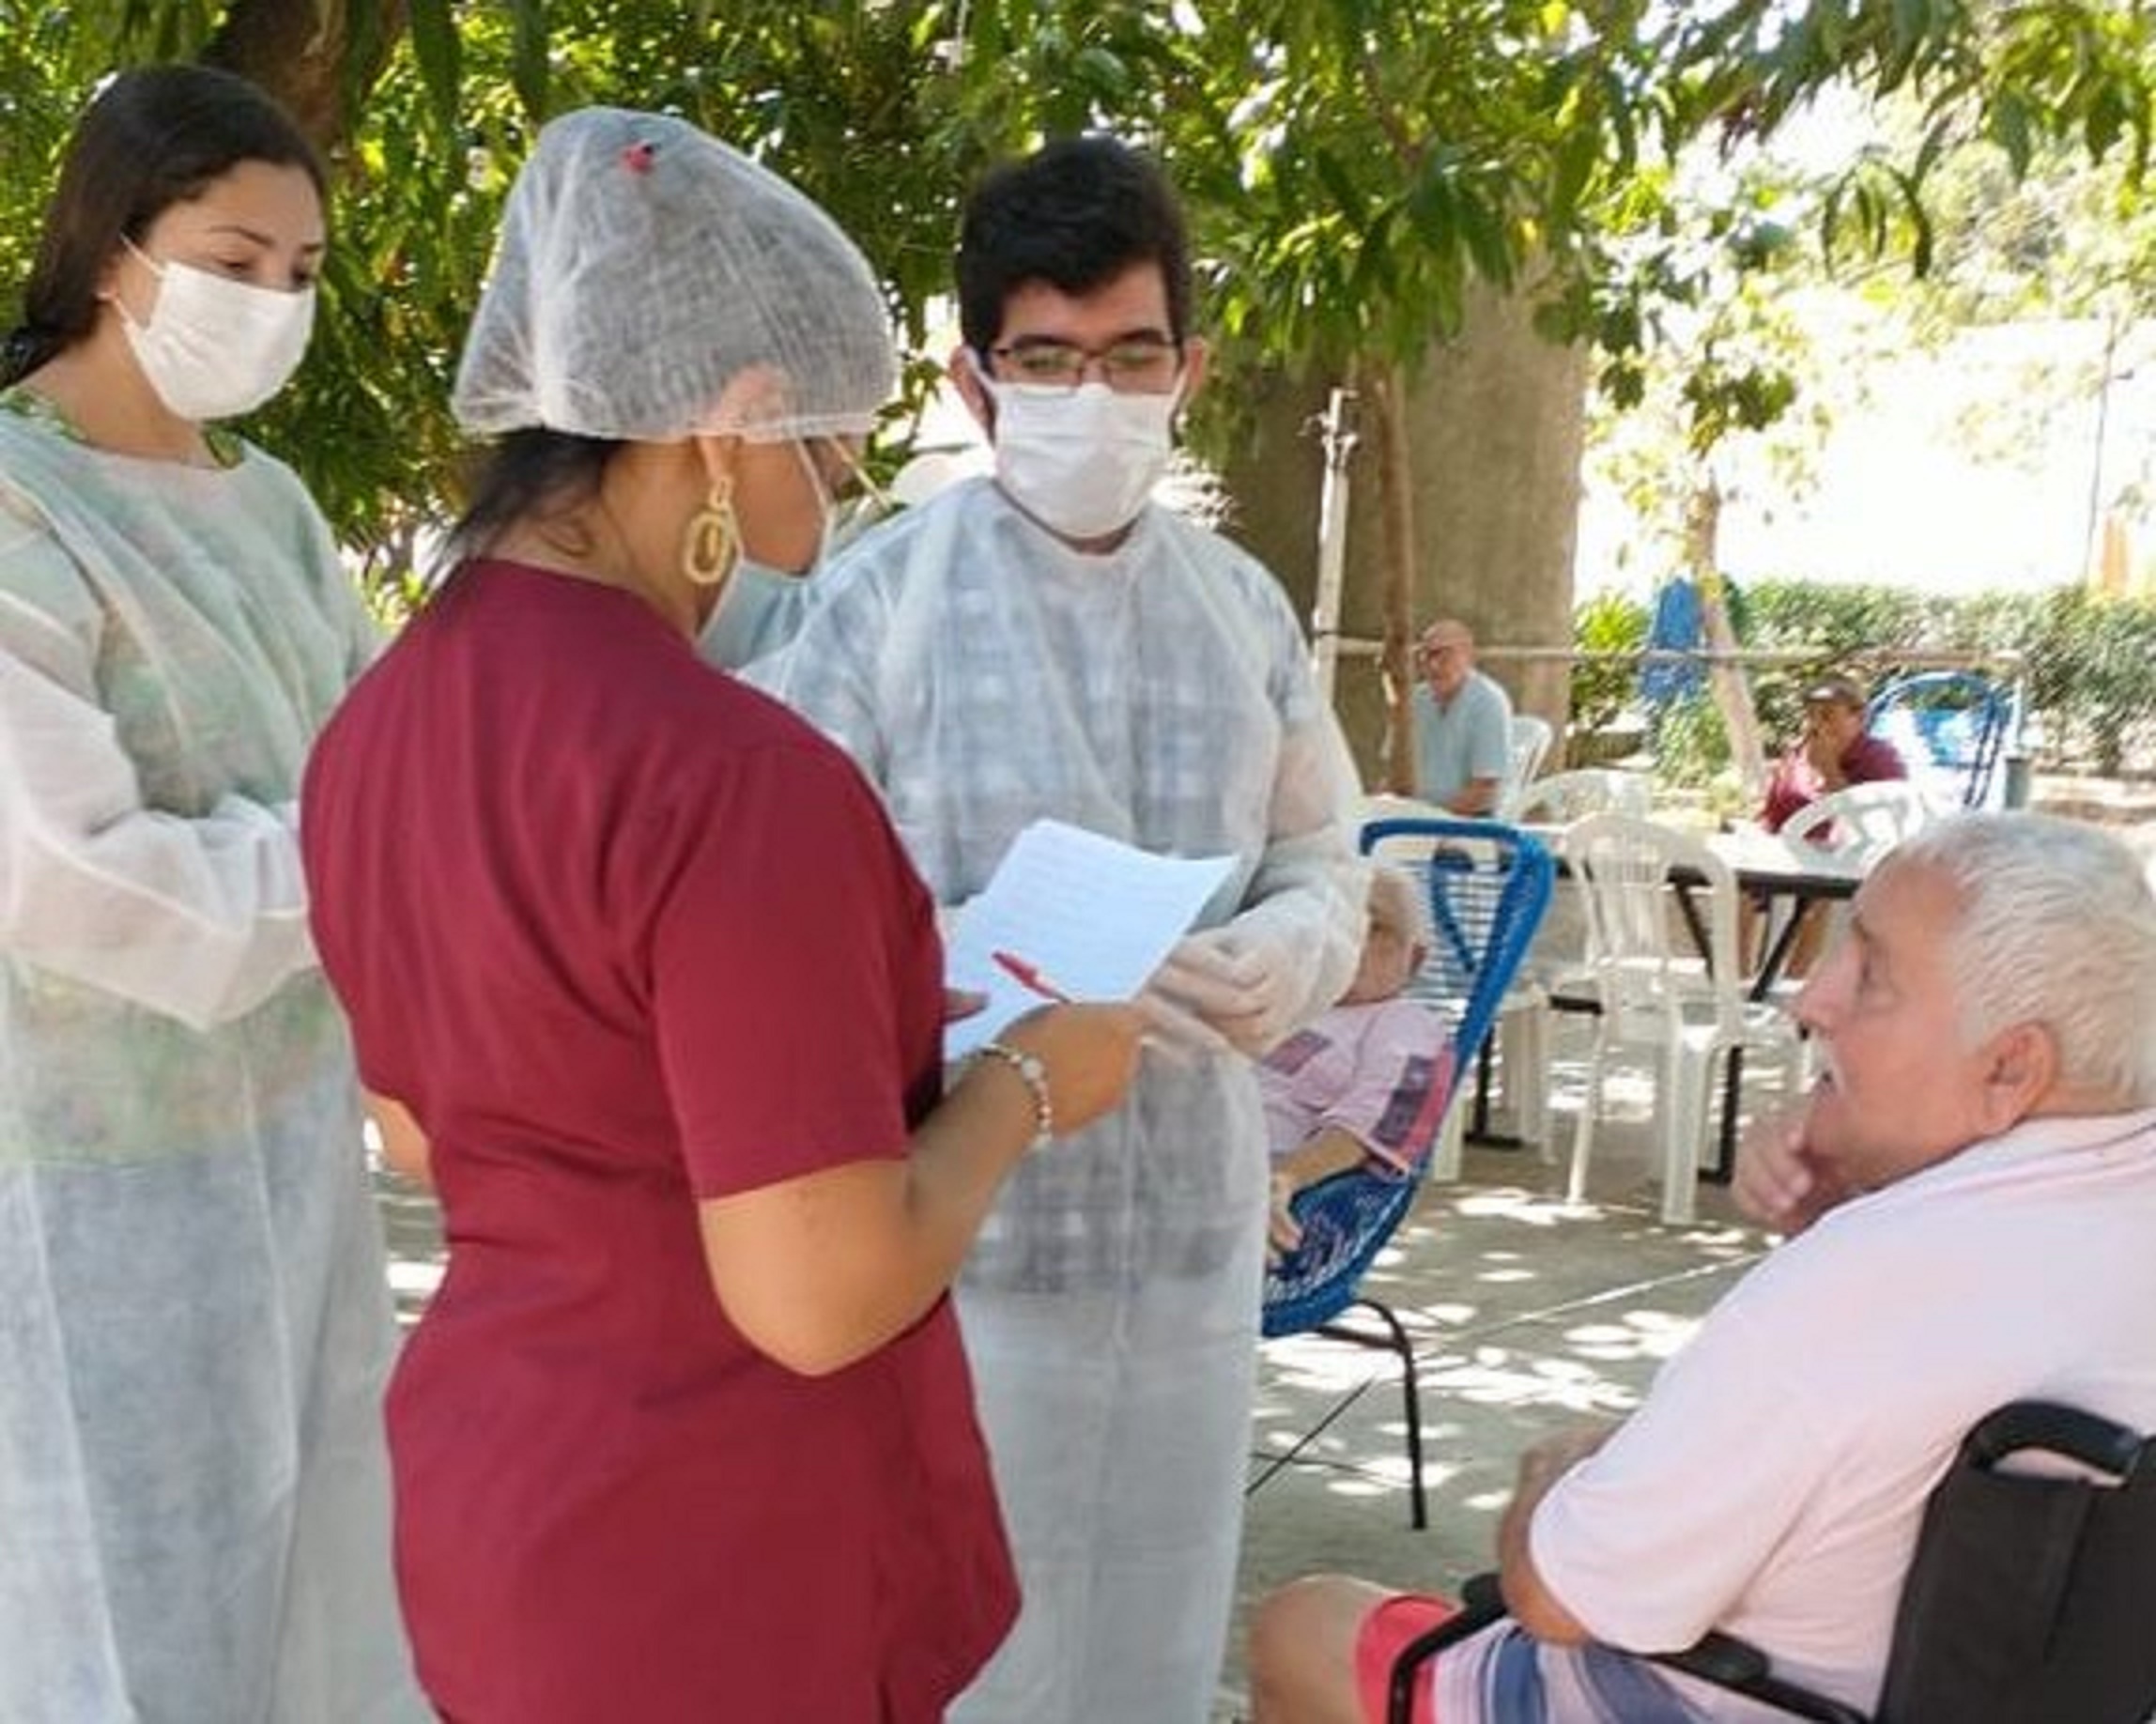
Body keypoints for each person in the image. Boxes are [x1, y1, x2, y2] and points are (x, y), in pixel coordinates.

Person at [299, 108, 1145, 1724]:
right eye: (825, 449)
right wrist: (1028, 1082)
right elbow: (816, 1297)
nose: (829, 496)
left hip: (497, 1487)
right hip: (712, 1543)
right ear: (728, 425)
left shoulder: (374, 730)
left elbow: (424, 1127)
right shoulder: (730, 777)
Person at [751, 133, 1365, 1723]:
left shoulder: (1241, 610)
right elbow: (769, 900)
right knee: (970, 1652)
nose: (1093, 396)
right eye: (1048, 359)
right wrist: (977, 963)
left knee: (1156, 1637)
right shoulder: (880, 605)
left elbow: (1326, 845)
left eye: (1130, 356)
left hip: (1187, 1236)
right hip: (972, 1237)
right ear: (974, 383)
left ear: (1190, 369)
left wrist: (1285, 948)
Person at [1247, 810, 2156, 1723]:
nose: (1808, 1002)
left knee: (1305, 1622)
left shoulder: (1852, 1292)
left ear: (2009, 1069)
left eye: (1870, 975)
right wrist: (1845, 1202)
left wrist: (1553, 1474)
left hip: (1706, 1700)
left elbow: (1560, 1599)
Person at [0, 65, 424, 1720]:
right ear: (116, 247)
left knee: (305, 1588)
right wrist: (354, 862)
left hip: (288, 1154)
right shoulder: (20, 503)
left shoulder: (277, 512)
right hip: (77, 1188)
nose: (272, 306)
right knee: (105, 1627)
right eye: (235, 262)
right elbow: (70, 873)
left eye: (303, 276)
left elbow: (385, 767)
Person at [1260, 863, 1454, 1255]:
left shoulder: (1406, 1026)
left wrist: (1285, 1178)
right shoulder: (1288, 1005)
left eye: (1375, 926)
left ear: (1412, 959)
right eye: (1338, 924)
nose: (1352, 939)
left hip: (1272, 1194)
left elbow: (1375, 1122)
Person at [1759, 670, 1906, 834]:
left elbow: (1883, 829)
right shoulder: (1796, 756)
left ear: (1859, 717)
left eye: (1827, 715)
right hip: (1793, 851)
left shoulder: (1880, 758)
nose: (1816, 725)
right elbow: (1773, 820)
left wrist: (1829, 771)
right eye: (1810, 715)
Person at [1409, 618, 1514, 815]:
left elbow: (1485, 791)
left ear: (1469, 657)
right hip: (1414, 818)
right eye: (1426, 655)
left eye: (1444, 655)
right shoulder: (1416, 699)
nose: (1433, 665)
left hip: (1470, 822)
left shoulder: (1488, 701)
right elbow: (1394, 774)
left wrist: (1433, 822)